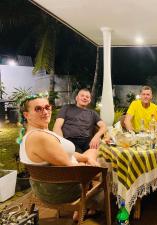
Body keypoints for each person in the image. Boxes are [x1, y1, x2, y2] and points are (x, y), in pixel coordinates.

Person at [17, 92, 99, 220]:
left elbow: (66, 154)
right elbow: (70, 165)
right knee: (104, 169)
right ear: (26, 115)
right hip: (62, 191)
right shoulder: (40, 138)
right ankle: (87, 205)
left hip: (51, 185)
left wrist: (87, 158)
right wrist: (89, 166)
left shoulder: (38, 133)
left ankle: (88, 204)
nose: (45, 111)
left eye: (47, 107)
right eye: (38, 109)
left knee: (92, 153)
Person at [53, 88, 106, 153]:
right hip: (69, 141)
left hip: (87, 141)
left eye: (87, 97)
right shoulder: (66, 108)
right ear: (77, 98)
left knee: (102, 152)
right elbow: (57, 127)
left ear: (89, 100)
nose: (85, 98)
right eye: (82, 96)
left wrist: (96, 137)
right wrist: (63, 142)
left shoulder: (92, 113)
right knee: (79, 156)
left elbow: (103, 126)